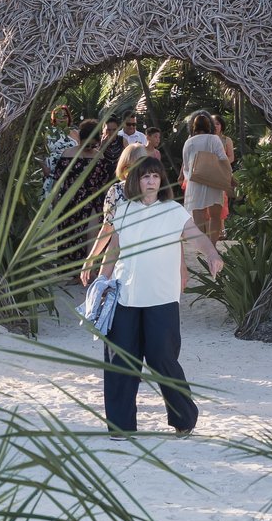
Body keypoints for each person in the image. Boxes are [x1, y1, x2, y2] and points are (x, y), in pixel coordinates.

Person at [81, 155, 223, 434]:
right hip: (125, 297)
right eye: (145, 176)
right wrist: (101, 281)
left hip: (161, 297)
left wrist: (211, 253)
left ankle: (184, 418)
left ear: (161, 181)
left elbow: (195, 235)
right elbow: (114, 250)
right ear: (135, 180)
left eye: (155, 176)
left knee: (162, 358)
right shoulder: (123, 210)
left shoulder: (172, 211)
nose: (150, 180)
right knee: (120, 361)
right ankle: (120, 426)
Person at [181, 112, 234, 242]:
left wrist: (191, 177)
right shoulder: (214, 139)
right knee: (215, 216)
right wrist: (228, 175)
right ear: (208, 126)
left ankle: (203, 246)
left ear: (193, 127)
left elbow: (186, 167)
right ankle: (212, 245)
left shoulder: (189, 142)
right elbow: (223, 159)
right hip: (213, 181)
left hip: (195, 182)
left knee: (198, 215)